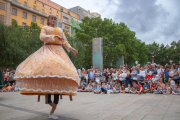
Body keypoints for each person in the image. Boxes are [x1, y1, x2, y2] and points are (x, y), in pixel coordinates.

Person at [13, 14, 80, 119]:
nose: (53, 20)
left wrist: (71, 48)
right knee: (47, 67)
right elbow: (42, 37)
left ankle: (52, 112)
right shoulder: (45, 28)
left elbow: (64, 41)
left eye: (55, 19)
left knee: (64, 70)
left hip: (59, 51)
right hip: (48, 50)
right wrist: (53, 36)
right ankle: (49, 100)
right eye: (52, 19)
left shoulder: (60, 30)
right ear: (48, 20)